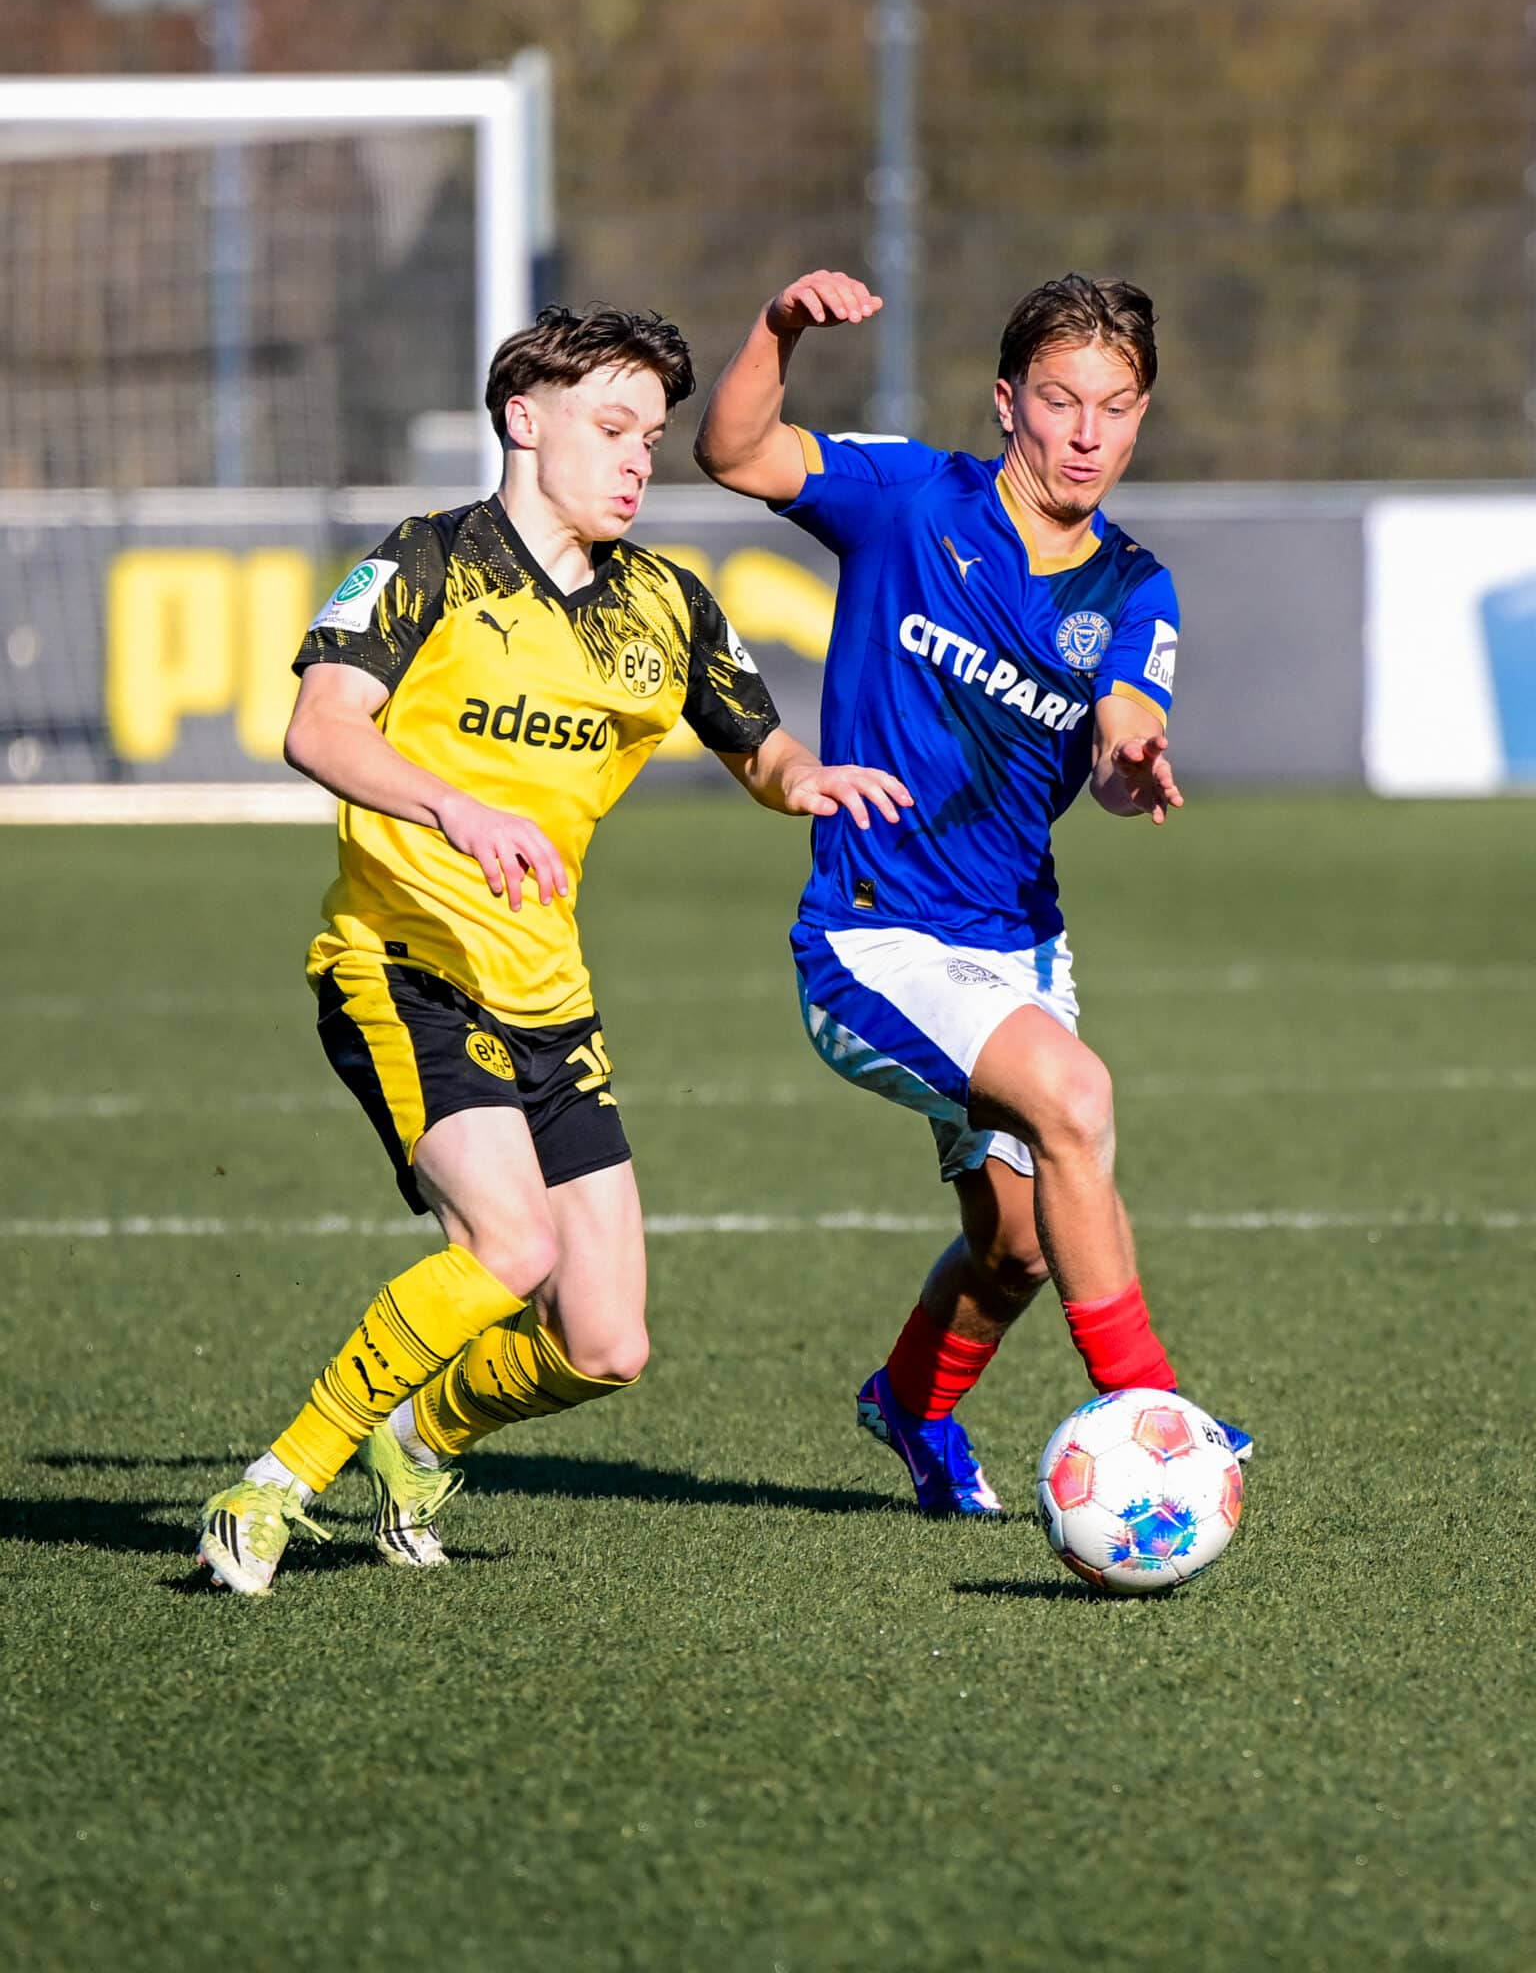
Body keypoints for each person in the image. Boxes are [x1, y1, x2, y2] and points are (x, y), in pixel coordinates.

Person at [196, 303, 910, 1594]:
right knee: (510, 1248)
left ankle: (422, 1438)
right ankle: (272, 1486)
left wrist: (804, 778)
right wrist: (454, 806)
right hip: (403, 962)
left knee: (606, 1343)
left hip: (549, 999)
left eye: (651, 436)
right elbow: (321, 727)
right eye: (612, 427)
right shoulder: (428, 560)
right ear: (524, 421)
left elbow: (758, 747)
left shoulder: (668, 603)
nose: (639, 458)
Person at [692, 267, 1251, 1518]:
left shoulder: (1134, 587)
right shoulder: (909, 500)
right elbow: (731, 451)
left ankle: (910, 1401)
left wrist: (1129, 759)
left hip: (1017, 947)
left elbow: (1121, 739)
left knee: (1022, 1244)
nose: (1087, 433)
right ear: (1008, 403)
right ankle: (1158, 1421)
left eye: (1116, 406)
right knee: (1075, 1097)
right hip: (870, 940)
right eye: (1061, 400)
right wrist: (777, 329)